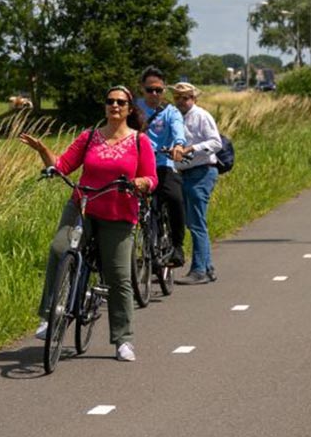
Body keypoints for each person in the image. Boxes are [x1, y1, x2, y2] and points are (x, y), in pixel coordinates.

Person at [20, 85, 157, 362]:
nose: (114, 106)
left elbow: (152, 178)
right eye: (110, 101)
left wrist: (141, 182)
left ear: (129, 109)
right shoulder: (90, 137)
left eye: (120, 102)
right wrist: (43, 152)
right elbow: (62, 166)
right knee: (60, 250)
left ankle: (123, 339)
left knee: (119, 276)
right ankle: (51, 316)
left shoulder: (140, 141)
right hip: (83, 207)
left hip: (118, 214)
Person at [136, 66, 188, 268]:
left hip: (163, 163)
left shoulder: (170, 112)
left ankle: (177, 245)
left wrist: (178, 146)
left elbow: (178, 130)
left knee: (175, 198)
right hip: (140, 165)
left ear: (164, 90)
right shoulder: (134, 109)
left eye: (158, 90)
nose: (154, 94)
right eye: (150, 90)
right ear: (142, 89)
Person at [171, 82, 222, 286]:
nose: (182, 101)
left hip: (201, 172)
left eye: (186, 97)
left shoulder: (201, 115)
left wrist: (193, 149)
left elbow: (215, 142)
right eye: (178, 98)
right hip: (184, 173)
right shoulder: (176, 117)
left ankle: (199, 269)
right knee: (192, 221)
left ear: (194, 98)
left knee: (196, 222)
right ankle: (207, 267)